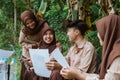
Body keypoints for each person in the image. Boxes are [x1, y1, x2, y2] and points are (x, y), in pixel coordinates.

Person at [60, 14, 120, 80]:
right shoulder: (73, 48)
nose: (98, 34)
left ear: (109, 33)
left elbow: (82, 71)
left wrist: (76, 74)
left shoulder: (117, 57)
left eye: (100, 31)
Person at [19, 10, 50, 80]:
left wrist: (41, 44)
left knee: (40, 73)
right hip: (28, 53)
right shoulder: (24, 30)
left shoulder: (43, 25)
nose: (30, 24)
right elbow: (21, 42)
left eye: (32, 21)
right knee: (27, 73)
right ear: (24, 24)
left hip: (41, 52)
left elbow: (49, 35)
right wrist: (31, 46)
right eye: (27, 23)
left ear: (34, 18)